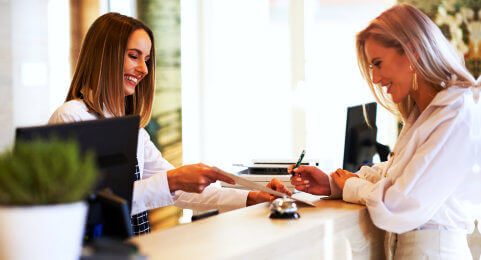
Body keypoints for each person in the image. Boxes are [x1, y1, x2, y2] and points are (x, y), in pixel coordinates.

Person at [49, 12, 291, 236]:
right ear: (105, 56)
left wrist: (253, 197)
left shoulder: (132, 130)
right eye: (133, 56)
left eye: (147, 59)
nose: (143, 69)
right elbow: (86, 205)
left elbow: (180, 191)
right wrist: (172, 180)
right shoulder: (71, 117)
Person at [289, 4, 481, 259]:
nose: (376, 79)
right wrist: (333, 183)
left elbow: (398, 203)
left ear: (411, 51)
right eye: (372, 68)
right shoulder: (425, 115)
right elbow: (396, 175)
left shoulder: (455, 112)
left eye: (378, 64)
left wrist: (352, 186)